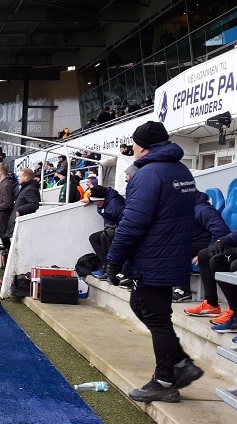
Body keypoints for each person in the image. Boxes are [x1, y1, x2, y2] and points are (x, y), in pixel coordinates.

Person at [105, 121, 203, 403]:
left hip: (154, 257)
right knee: (140, 305)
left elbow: (132, 223)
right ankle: (181, 363)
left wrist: (113, 261)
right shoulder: (181, 170)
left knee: (157, 318)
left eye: (134, 145)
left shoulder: (148, 174)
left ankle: (164, 381)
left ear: (142, 146)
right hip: (170, 254)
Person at [173, 191, 230, 303]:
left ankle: (183, 291)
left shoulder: (203, 209)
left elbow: (221, 231)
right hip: (194, 242)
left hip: (208, 243)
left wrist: (209, 250)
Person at [81, 185, 125, 280]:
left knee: (104, 236)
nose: (95, 203)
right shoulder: (102, 199)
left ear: (102, 199)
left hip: (119, 230)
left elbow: (124, 220)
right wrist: (89, 199)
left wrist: (115, 230)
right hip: (109, 227)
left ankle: (112, 269)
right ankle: (106, 266)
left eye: (97, 201)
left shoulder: (115, 206)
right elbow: (99, 194)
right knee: (93, 238)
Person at [4, 167, 41, 240]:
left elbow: (34, 204)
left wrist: (20, 210)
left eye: (20, 176)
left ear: (26, 178)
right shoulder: (26, 188)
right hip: (20, 223)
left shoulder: (29, 189)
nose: (18, 178)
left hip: (22, 224)